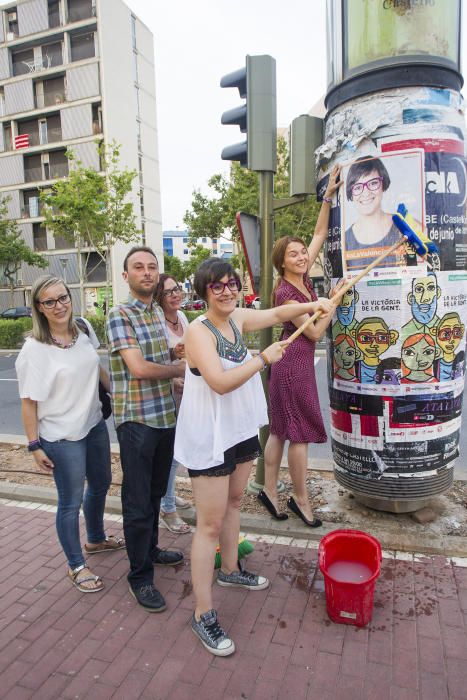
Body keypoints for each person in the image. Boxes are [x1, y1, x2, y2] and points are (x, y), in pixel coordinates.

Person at [174, 257, 333, 656]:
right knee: (207, 525)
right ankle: (202, 614)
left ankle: (230, 571)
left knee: (232, 504)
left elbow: (279, 311)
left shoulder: (237, 318)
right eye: (217, 286)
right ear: (204, 291)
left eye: (232, 284)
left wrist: (317, 304)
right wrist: (262, 359)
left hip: (239, 430)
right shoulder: (199, 331)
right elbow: (219, 383)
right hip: (209, 438)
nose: (227, 291)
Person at [15, 275, 123, 594]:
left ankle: (96, 538)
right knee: (69, 501)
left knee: (102, 482)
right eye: (50, 302)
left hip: (93, 426)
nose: (59, 306)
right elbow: (28, 403)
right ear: (39, 308)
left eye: (63, 298)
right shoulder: (34, 350)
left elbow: (95, 367)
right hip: (61, 438)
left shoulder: (83, 329)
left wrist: (116, 393)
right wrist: (34, 445)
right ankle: (76, 565)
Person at [259, 165, 342, 526]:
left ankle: (269, 490)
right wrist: (333, 302)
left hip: (290, 363)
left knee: (279, 429)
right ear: (282, 263)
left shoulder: (304, 281)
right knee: (300, 434)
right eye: (293, 255)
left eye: (301, 253)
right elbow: (312, 334)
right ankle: (300, 499)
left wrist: (328, 197)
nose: (301, 256)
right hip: (293, 364)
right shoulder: (286, 292)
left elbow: (320, 233)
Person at [106, 246, 185, 613]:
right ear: (126, 276)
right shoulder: (120, 314)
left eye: (152, 267)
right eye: (138, 267)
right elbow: (138, 368)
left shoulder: (156, 311)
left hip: (165, 417)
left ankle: (150, 549)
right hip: (136, 420)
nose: (147, 272)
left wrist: (176, 354)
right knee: (137, 502)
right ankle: (140, 576)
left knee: (154, 493)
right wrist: (178, 369)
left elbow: (158, 359)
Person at [153, 273, 191, 534]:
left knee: (177, 453)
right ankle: (167, 508)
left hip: (187, 395)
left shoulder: (183, 317)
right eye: (168, 292)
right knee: (169, 455)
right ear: (159, 297)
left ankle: (169, 493)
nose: (176, 294)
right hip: (167, 396)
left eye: (177, 289)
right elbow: (153, 361)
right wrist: (171, 382)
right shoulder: (157, 323)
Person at [344, 156, 405, 271]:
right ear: (351, 193)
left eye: (373, 183)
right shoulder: (344, 241)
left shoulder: (407, 227)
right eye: (357, 187)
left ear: (383, 184)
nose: (366, 193)